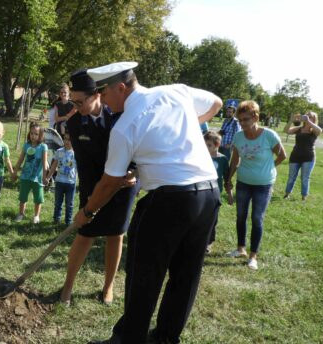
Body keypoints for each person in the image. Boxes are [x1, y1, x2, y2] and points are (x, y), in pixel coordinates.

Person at [75, 62, 222, 344]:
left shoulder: (125, 125)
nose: (103, 101)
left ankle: (129, 339)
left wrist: (87, 212)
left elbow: (109, 182)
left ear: (120, 87)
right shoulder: (175, 92)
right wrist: (177, 133)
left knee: (145, 274)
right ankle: (165, 339)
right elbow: (215, 103)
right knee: (186, 275)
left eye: (103, 94)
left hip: (169, 202)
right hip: (207, 195)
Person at [59, 69, 139, 307]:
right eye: (72, 101)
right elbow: (84, 165)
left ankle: (108, 286)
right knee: (85, 234)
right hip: (94, 185)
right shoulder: (74, 123)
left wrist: (132, 172)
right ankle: (68, 285)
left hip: (123, 186)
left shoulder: (120, 114)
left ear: (97, 95)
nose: (76, 106)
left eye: (79, 101)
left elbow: (135, 147)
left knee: (116, 234)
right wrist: (92, 198)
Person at [225, 100, 286, 270]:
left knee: (257, 218)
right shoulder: (238, 136)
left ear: (256, 117)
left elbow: (282, 155)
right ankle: (240, 249)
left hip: (263, 185)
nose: (243, 123)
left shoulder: (269, 135)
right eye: (240, 120)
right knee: (240, 216)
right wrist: (229, 179)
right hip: (243, 182)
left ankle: (253, 256)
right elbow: (235, 160)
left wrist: (269, 168)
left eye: (246, 119)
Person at [203, 130, 233, 253]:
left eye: (209, 145)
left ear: (217, 145)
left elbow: (227, 179)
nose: (206, 148)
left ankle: (209, 242)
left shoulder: (223, 160)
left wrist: (230, 194)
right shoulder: (200, 157)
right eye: (204, 145)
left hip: (215, 194)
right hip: (201, 192)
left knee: (212, 219)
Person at [11, 122, 47, 224]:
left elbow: (44, 164)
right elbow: (20, 160)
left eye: (36, 134)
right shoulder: (26, 146)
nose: (33, 136)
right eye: (31, 133)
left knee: (38, 198)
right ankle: (21, 213)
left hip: (37, 178)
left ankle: (36, 216)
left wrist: (45, 177)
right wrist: (15, 172)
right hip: (25, 176)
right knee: (23, 196)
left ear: (40, 135)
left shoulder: (43, 147)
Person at [283, 111, 322, 201]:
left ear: (314, 119)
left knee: (305, 178)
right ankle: (287, 194)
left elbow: (320, 131)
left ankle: (304, 196)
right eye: (307, 115)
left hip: (308, 158)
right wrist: (291, 120)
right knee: (291, 176)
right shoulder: (299, 129)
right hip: (295, 156)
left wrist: (309, 122)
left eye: (310, 116)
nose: (307, 117)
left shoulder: (314, 131)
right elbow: (286, 130)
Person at [45, 132, 76, 226]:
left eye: (70, 139)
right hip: (59, 182)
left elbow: (81, 169)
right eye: (65, 139)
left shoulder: (76, 154)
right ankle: (56, 219)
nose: (67, 141)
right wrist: (48, 177)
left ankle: (68, 221)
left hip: (71, 183)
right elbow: (54, 165)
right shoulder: (59, 151)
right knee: (58, 202)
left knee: (69, 204)